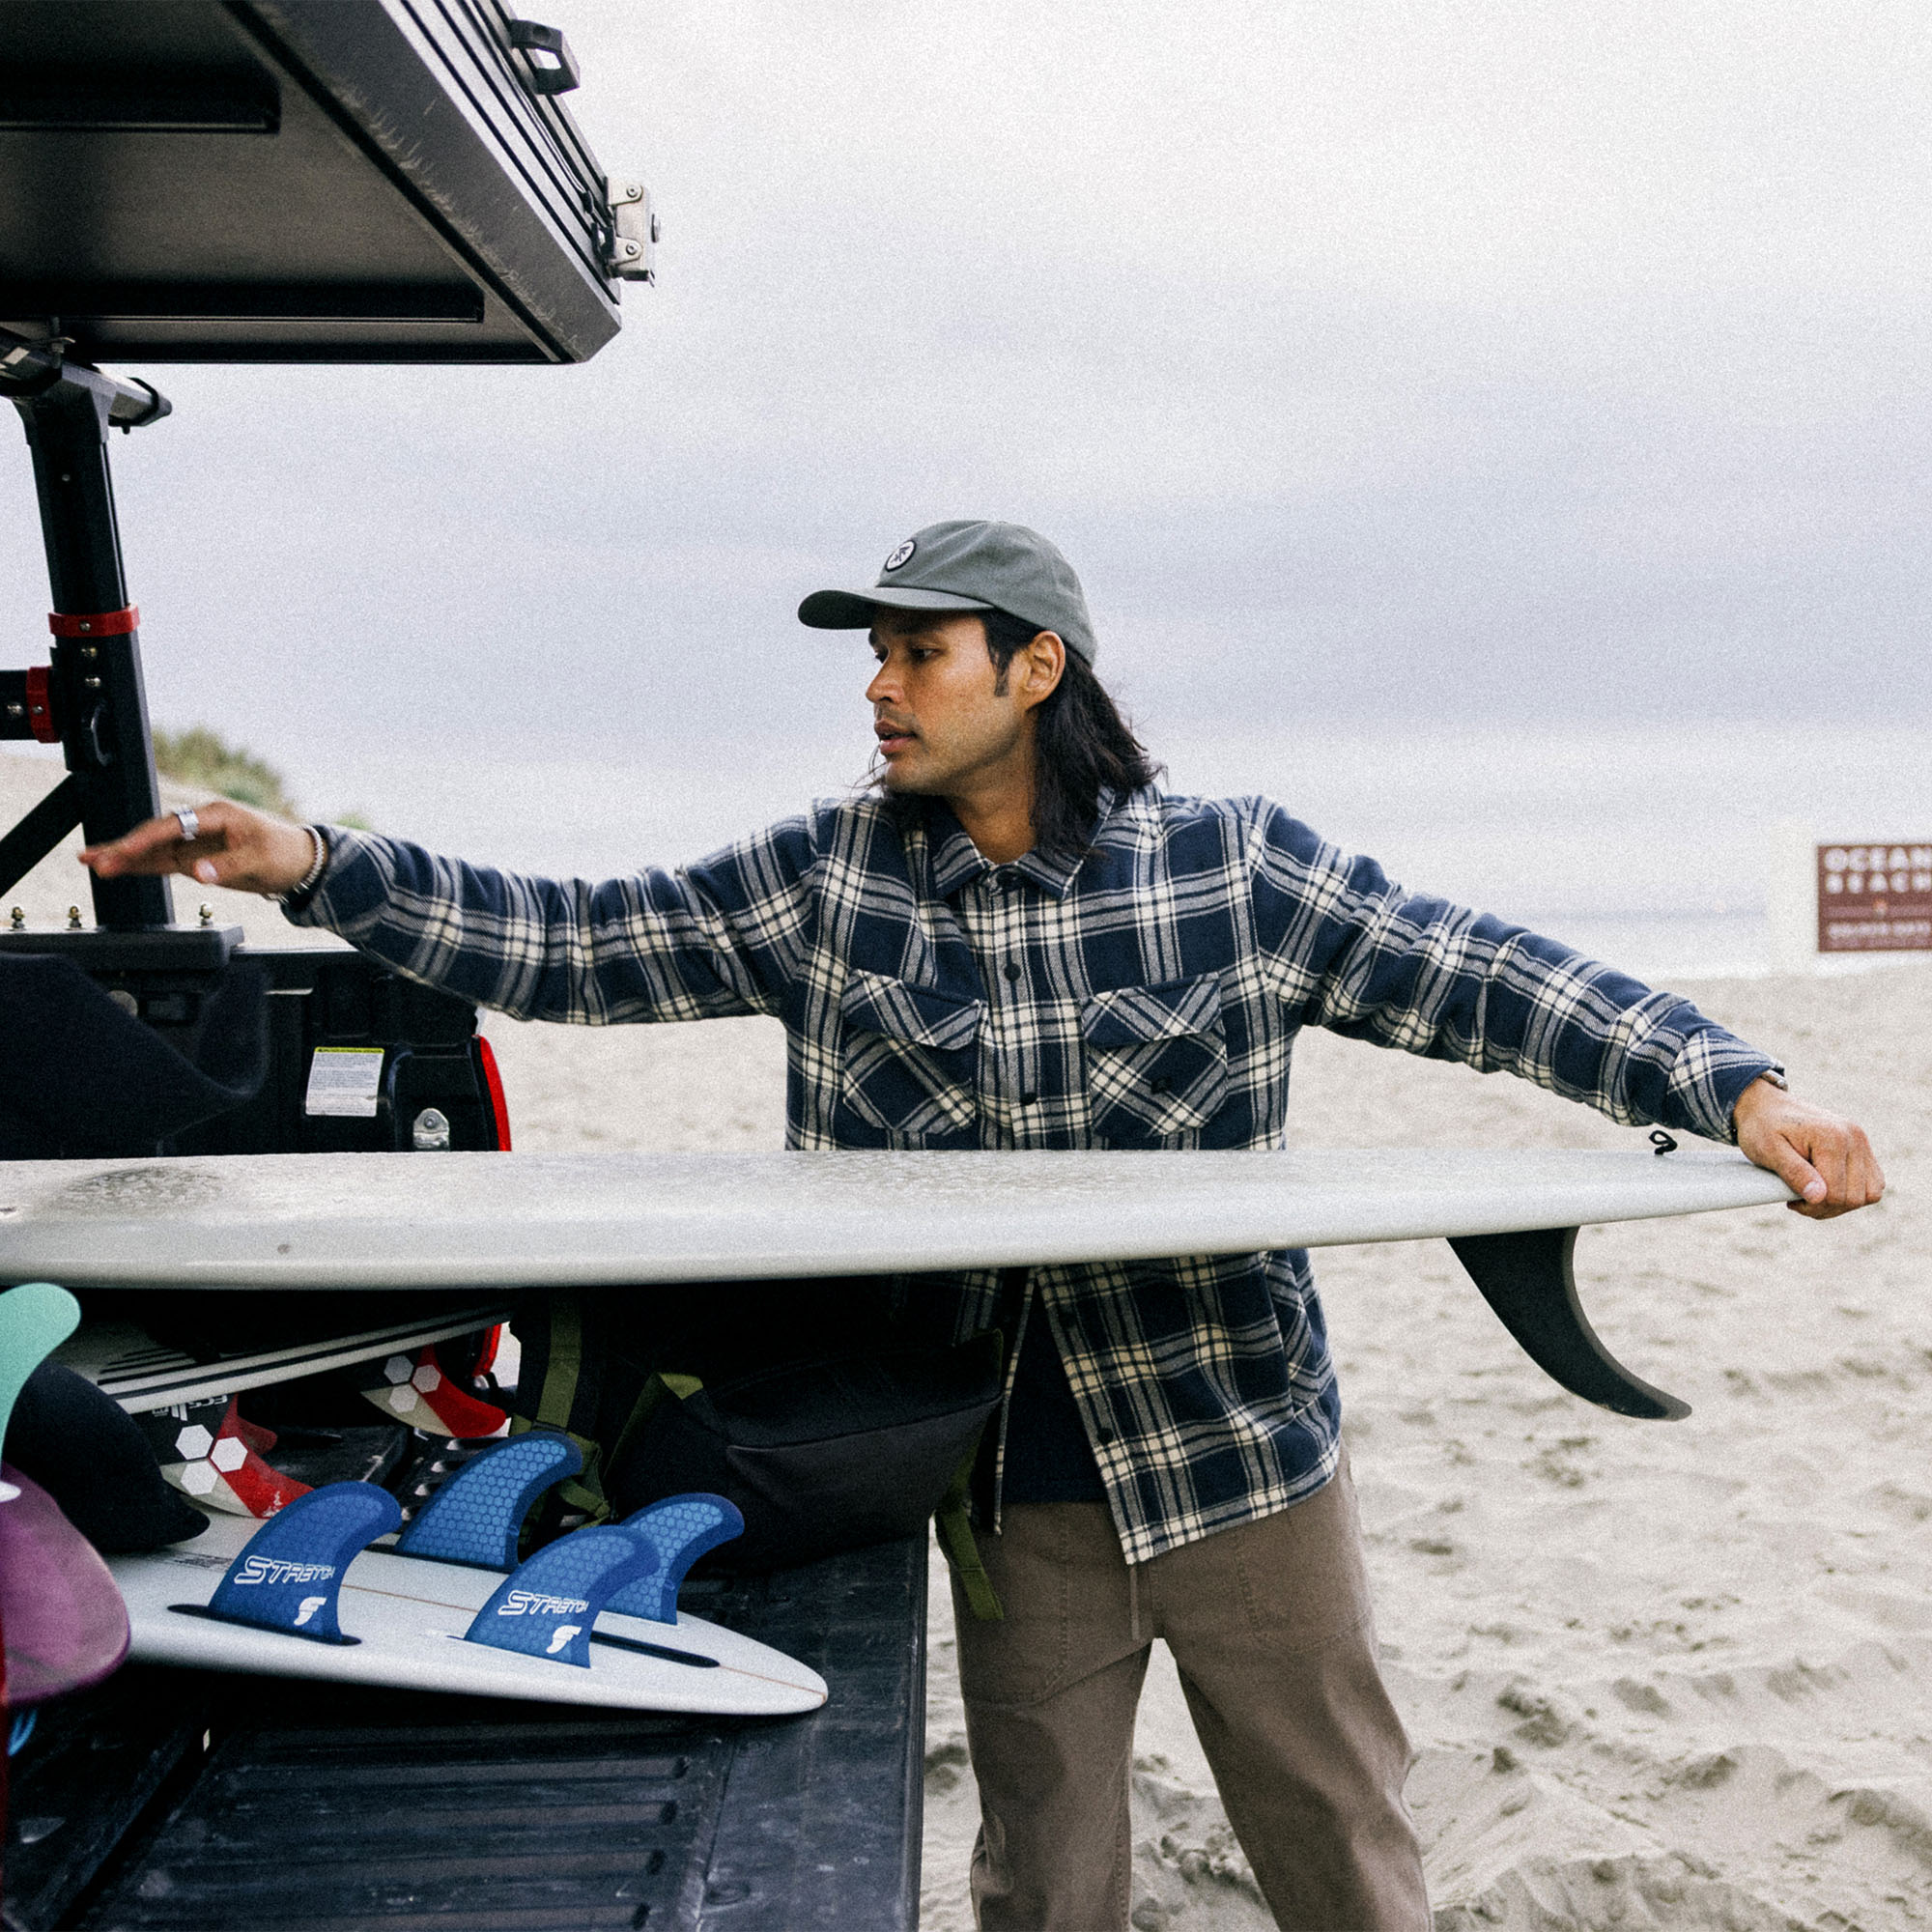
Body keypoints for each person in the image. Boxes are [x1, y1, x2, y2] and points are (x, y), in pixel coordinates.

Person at [84, 519, 1884, 1930]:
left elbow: (1489, 977)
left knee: (1342, 1845)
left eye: (915, 652)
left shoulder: (1232, 866)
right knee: (1045, 1873)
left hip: (1240, 1447)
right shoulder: (827, 879)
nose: (879, 686)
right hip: (997, 1475)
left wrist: (1736, 1087)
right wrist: (319, 866)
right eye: (873, 655)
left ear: (1037, 667)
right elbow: (573, 937)